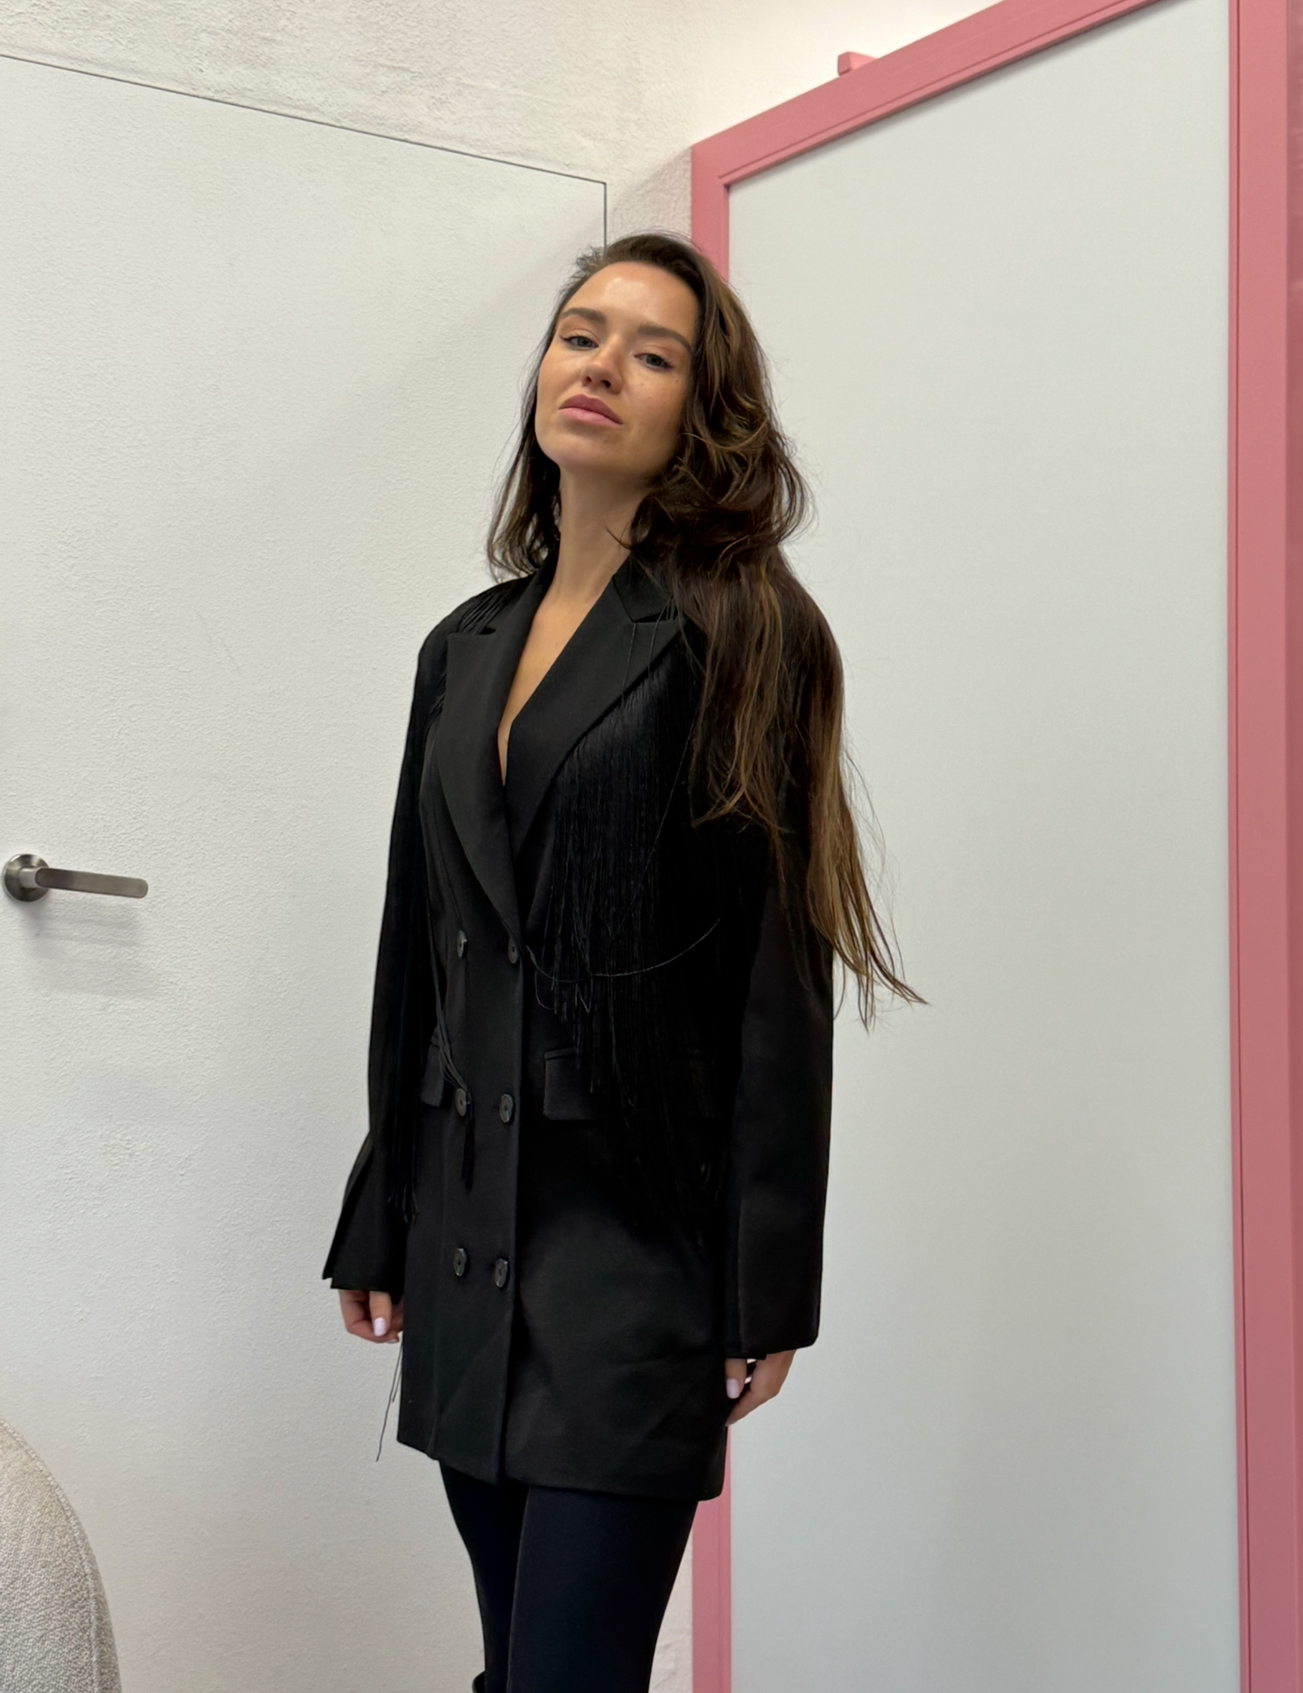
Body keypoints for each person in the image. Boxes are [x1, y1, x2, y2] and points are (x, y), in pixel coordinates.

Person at [322, 230, 917, 1693]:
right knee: (512, 1661)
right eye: (581, 334)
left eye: (654, 354)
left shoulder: (750, 628)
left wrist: (766, 1282)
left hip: (633, 1243)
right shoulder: (462, 645)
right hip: (468, 1225)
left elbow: (777, 979)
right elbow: (419, 941)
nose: (600, 366)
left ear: (702, 413)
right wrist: (380, 1202)